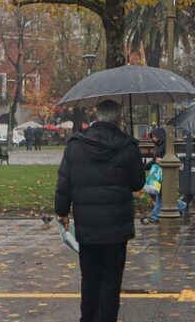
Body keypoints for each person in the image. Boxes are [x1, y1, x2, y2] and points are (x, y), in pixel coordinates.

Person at [55, 99, 144, 322]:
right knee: (111, 282)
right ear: (118, 118)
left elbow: (64, 182)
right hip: (117, 228)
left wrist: (62, 211)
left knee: (90, 279)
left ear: (96, 115)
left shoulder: (75, 145)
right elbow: (137, 183)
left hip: (88, 226)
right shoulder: (127, 146)